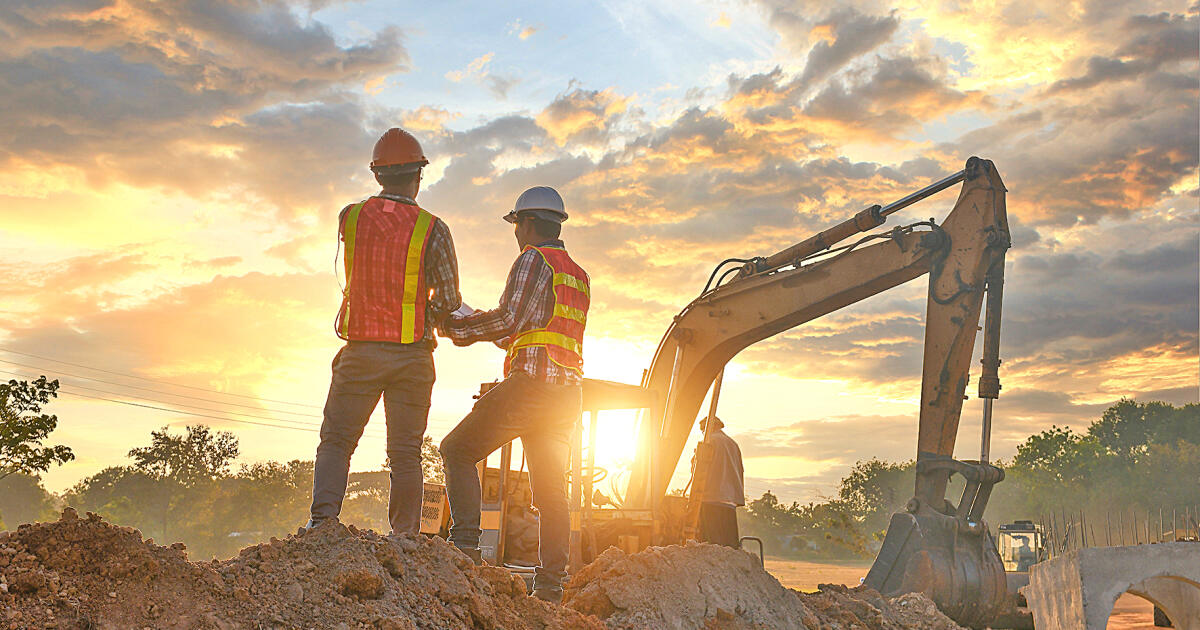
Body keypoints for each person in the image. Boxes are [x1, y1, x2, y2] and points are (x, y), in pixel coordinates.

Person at [438, 185, 588, 604]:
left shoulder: (531, 259)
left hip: (531, 388)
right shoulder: (576, 273)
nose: (516, 234)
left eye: (516, 224)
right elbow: (530, 333)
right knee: (551, 492)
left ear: (527, 223)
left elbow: (507, 320)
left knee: (457, 449)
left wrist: (456, 327)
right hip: (565, 396)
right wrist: (482, 326)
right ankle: (551, 586)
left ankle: (464, 547)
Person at [308, 127, 461, 535]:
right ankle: (405, 539)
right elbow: (447, 301)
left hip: (360, 351)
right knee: (406, 453)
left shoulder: (350, 217)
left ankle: (322, 524)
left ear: (377, 175)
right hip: (412, 355)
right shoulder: (434, 229)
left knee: (337, 441)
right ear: (419, 176)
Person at [695, 416, 745, 547]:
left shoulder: (708, 442)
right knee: (728, 545)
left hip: (710, 499)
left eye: (702, 430)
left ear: (708, 427)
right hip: (730, 501)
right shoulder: (733, 444)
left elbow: (697, 471)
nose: (702, 433)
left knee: (709, 544)